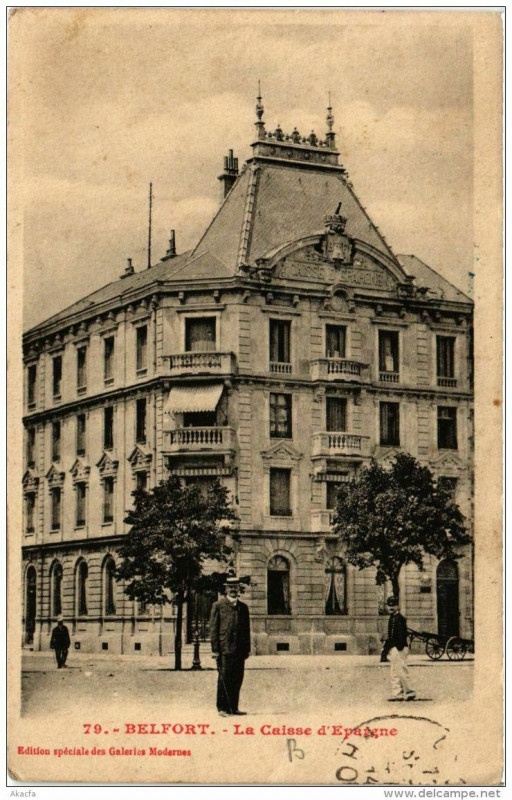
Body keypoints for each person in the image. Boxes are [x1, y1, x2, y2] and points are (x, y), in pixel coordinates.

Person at [210, 575, 251, 716]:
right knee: (224, 679)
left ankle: (234, 707)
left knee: (238, 679)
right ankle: (222, 708)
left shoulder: (243, 608)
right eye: (230, 587)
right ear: (226, 589)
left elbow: (246, 630)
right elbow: (213, 629)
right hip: (224, 649)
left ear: (239, 589)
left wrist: (247, 649)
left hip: (239, 650)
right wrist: (215, 650)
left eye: (236, 587)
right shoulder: (218, 605)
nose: (233, 590)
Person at [384, 596, 416, 701]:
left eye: (393, 605)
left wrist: (399, 648)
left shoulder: (400, 618)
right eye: (389, 605)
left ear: (398, 606)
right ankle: (397, 693)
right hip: (394, 648)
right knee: (394, 671)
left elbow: (402, 634)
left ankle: (410, 692)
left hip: (399, 648)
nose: (391, 607)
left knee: (401, 670)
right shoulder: (391, 618)